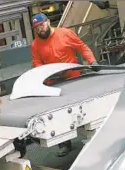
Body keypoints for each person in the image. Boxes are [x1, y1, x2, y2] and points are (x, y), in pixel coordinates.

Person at [30, 13, 100, 157]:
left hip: (74, 79)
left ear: (48, 22)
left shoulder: (65, 34)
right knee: (58, 115)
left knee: (83, 109)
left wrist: (92, 62)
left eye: (42, 25)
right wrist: (45, 76)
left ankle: (93, 136)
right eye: (36, 28)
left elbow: (82, 47)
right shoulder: (35, 44)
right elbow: (37, 63)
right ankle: (64, 144)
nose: (40, 30)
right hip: (55, 83)